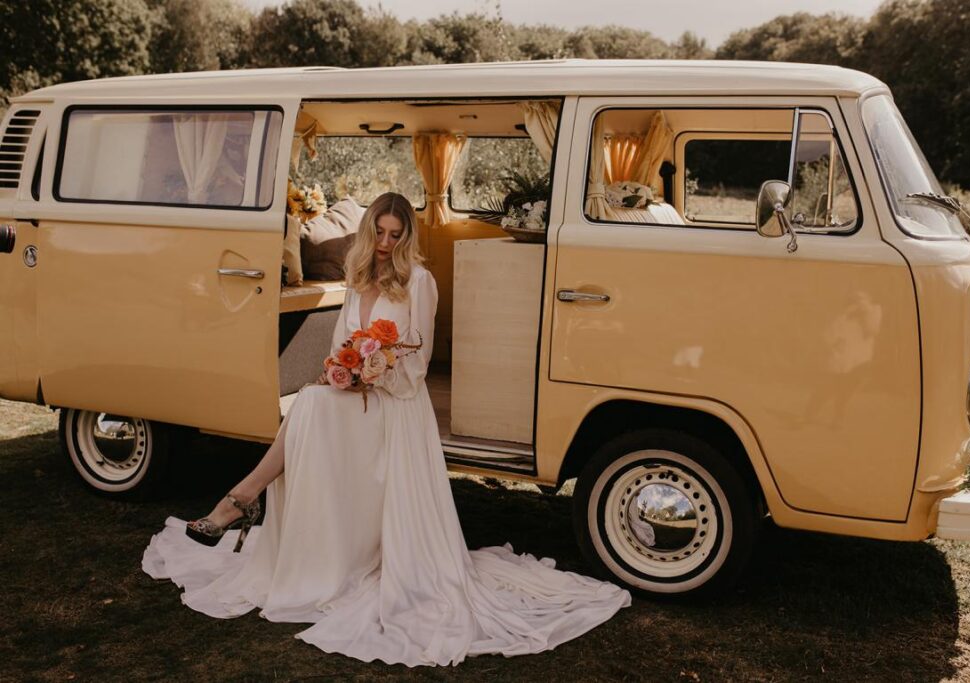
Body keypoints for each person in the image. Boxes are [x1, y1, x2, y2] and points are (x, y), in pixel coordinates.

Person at [141, 192, 631, 668]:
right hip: (358, 394)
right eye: (378, 231)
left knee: (308, 410)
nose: (385, 242)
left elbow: (418, 358)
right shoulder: (356, 277)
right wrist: (341, 370)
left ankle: (237, 502)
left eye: (395, 235)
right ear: (367, 230)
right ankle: (249, 504)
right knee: (312, 402)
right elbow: (341, 342)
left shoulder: (419, 280)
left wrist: (376, 373)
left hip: (397, 405)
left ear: (407, 237)